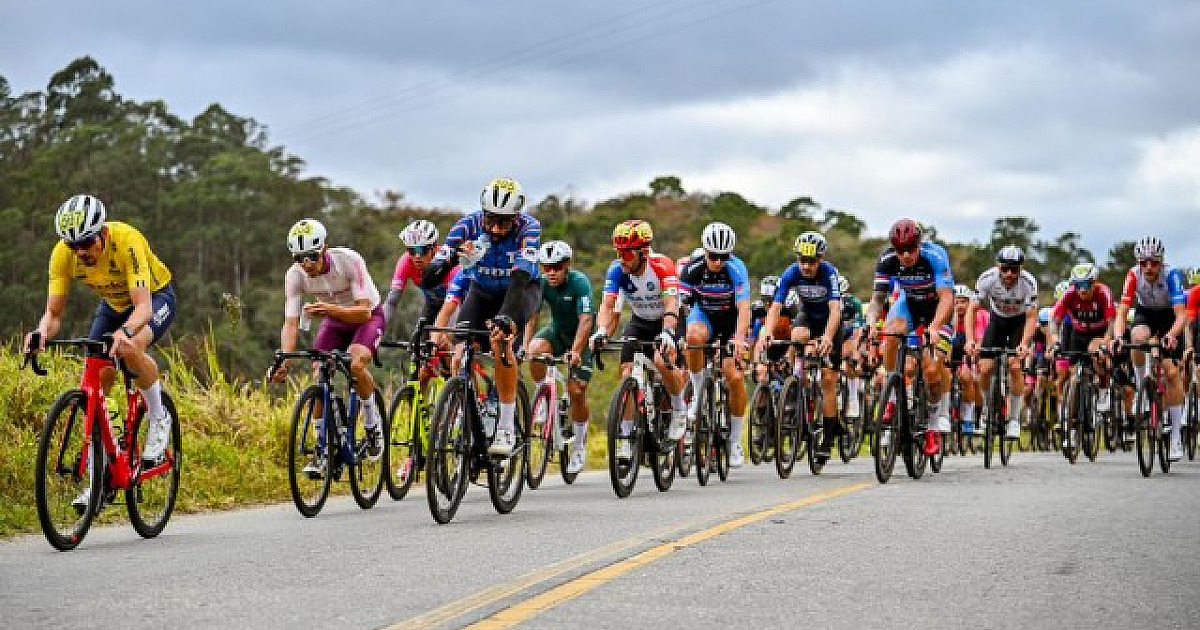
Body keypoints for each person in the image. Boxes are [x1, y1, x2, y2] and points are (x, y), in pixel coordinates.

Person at [26, 194, 179, 509]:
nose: (80, 252)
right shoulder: (62, 255)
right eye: (73, 246)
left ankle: (159, 417)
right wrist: (40, 333)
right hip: (112, 307)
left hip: (154, 298)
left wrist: (125, 332)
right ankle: (101, 477)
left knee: (130, 346)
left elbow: (143, 308)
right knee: (95, 382)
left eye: (86, 243)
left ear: (102, 233)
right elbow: (53, 316)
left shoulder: (126, 241)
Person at [423, 177, 542, 456]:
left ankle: (505, 426)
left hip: (521, 290)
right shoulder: (468, 226)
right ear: (483, 213)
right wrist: (454, 258)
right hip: (482, 290)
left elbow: (521, 277)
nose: (497, 228)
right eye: (491, 220)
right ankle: (467, 411)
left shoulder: (529, 228)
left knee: (501, 342)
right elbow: (429, 277)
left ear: (516, 217)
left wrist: (506, 320)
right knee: (460, 351)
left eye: (504, 222)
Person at [271, 218, 387, 475]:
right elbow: (290, 324)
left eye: (312, 256)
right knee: (319, 375)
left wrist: (330, 309)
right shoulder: (294, 276)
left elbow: (364, 313)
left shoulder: (349, 261)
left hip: (365, 316)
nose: (307, 264)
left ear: (324, 248)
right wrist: (285, 360)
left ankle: (372, 425)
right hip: (333, 320)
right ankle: (321, 450)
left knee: (355, 364)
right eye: (299, 258)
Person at [590, 220, 688, 461]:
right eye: (618, 252)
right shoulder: (617, 270)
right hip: (640, 321)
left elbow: (671, 303)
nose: (621, 258)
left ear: (643, 252)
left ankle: (678, 409)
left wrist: (667, 332)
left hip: (668, 320)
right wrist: (601, 330)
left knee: (662, 361)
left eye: (626, 253)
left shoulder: (661, 265)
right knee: (626, 373)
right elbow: (608, 305)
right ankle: (624, 438)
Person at [865, 218, 955, 456]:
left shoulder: (934, 256)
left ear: (919, 244)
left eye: (910, 250)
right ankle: (894, 392)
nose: (905, 256)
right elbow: (877, 299)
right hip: (910, 306)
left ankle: (935, 420)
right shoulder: (887, 260)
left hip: (937, 309)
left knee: (932, 370)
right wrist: (872, 324)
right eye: (900, 251)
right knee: (892, 333)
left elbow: (946, 297)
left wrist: (935, 327)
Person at [756, 231, 845, 462]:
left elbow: (836, 310)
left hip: (829, 321)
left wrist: (827, 336)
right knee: (798, 334)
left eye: (812, 261)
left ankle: (828, 436)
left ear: (821, 258)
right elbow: (776, 307)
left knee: (827, 379)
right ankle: (797, 380)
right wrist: (766, 332)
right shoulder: (791, 272)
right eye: (802, 261)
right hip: (807, 316)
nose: (806, 266)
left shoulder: (829, 273)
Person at [679, 222, 753, 467]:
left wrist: (739, 339)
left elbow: (744, 308)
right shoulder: (692, 269)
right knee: (692, 338)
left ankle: (734, 440)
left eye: (724, 256)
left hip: (730, 321)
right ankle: (699, 390)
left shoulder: (736, 268)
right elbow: (682, 308)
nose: (719, 261)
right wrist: (677, 338)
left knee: (734, 375)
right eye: (713, 256)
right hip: (705, 317)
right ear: (705, 251)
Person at [521, 240, 596, 474]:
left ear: (567, 265)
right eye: (546, 267)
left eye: (556, 267)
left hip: (581, 338)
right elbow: (532, 316)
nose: (551, 272)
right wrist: (524, 346)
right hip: (557, 332)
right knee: (534, 352)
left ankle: (579, 446)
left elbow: (586, 320)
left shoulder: (579, 283)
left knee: (576, 391)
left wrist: (575, 351)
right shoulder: (542, 284)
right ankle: (543, 394)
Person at [1112, 236, 1187, 461]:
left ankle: (1175, 437)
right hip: (1146, 313)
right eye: (1143, 262)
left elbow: (1181, 316)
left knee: (1172, 373)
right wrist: (1117, 336)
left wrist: (1172, 335)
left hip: (1169, 317)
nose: (1148, 267)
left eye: (1153, 262)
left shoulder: (1172, 274)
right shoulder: (1133, 274)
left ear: (1161, 261)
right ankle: (1141, 385)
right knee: (1136, 337)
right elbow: (1123, 312)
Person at [966, 245, 1039, 440]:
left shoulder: (1028, 283)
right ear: (998, 266)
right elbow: (971, 310)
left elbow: (1032, 317)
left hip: (1019, 322)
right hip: (997, 321)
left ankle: (1014, 419)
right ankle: (986, 411)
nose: (1009, 273)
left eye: (1014, 269)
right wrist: (970, 339)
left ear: (1020, 269)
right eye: (1004, 268)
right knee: (985, 367)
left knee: (1014, 366)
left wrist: (1024, 343)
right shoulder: (987, 279)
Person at [1048, 262, 1116, 447]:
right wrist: (1054, 340)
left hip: (1099, 332)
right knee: (1073, 375)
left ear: (1094, 282)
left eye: (1085, 285)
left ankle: (1103, 392)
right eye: (1077, 285)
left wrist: (1106, 341)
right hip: (1078, 334)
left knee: (1097, 355)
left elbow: (1112, 323)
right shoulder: (1069, 294)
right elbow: (1055, 321)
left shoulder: (1104, 293)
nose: (1081, 290)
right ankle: (1071, 428)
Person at [949, 284, 986, 434]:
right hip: (953, 347)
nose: (959, 306)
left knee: (967, 376)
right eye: (956, 302)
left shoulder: (978, 315)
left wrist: (972, 357)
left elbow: (978, 340)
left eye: (963, 301)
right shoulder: (948, 316)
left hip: (972, 348)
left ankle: (970, 418)